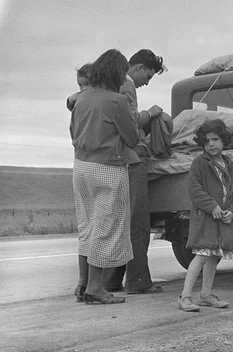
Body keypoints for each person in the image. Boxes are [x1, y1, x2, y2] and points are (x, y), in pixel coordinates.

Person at [70, 49, 139, 304]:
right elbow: (132, 138)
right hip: (108, 168)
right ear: (116, 74)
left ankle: (82, 283)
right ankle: (95, 288)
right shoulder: (116, 101)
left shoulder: (81, 98)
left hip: (81, 167)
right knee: (106, 225)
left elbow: (72, 133)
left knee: (87, 225)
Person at [102, 49, 170, 295]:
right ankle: (139, 281)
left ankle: (111, 279)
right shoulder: (127, 85)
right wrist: (151, 114)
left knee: (119, 219)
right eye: (148, 76)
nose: (146, 82)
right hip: (133, 155)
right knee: (138, 220)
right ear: (139, 67)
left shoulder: (108, 84)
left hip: (113, 156)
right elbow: (131, 121)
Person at [177, 119, 233, 312]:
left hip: (222, 221)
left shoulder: (230, 165)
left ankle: (205, 295)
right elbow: (195, 190)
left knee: (214, 257)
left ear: (224, 141)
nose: (211, 144)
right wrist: (212, 206)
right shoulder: (199, 163)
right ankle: (185, 296)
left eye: (215, 139)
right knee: (201, 256)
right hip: (205, 219)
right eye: (207, 141)